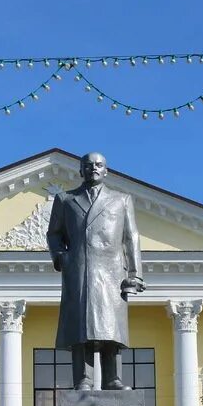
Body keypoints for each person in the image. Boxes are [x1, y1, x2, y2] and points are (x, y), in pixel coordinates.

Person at [46, 152, 146, 390]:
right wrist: (61, 256)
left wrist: (135, 273)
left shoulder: (121, 200)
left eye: (99, 165)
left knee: (111, 329)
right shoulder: (66, 200)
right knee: (81, 329)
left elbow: (131, 237)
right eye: (88, 165)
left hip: (112, 272)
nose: (94, 168)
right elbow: (54, 234)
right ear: (81, 170)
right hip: (79, 269)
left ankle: (113, 379)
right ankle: (84, 379)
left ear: (106, 171)